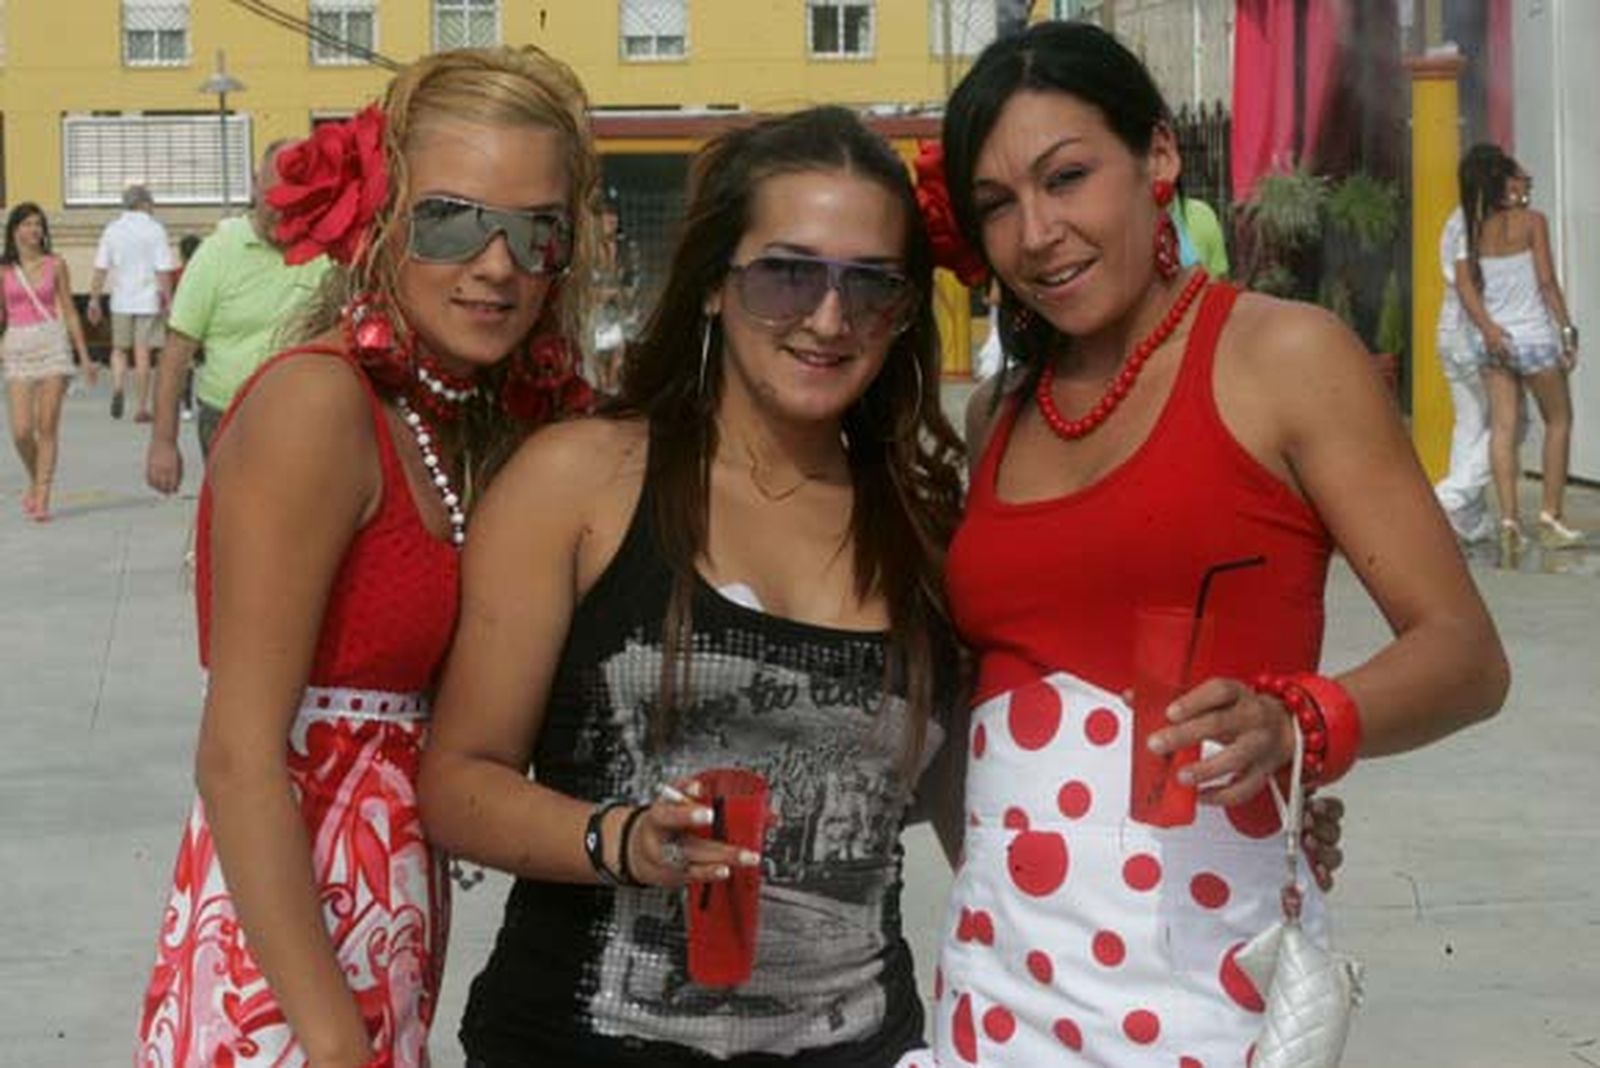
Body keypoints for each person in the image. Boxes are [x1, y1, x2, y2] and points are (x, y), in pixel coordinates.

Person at [932, 22, 1507, 1064]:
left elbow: (1464, 654)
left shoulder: (1283, 357)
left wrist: (1299, 724)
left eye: (1067, 178)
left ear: (1157, 159)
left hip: (1200, 977)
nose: (1038, 232)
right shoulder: (999, 415)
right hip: (998, 977)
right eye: (997, 206)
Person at [417, 105, 968, 1068]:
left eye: (870, 286)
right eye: (787, 274)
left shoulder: (927, 524)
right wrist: (621, 839)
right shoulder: (583, 481)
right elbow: (458, 782)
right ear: (715, 284)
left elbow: (965, 801)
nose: (828, 319)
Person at [134, 45, 597, 1068]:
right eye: (452, 218)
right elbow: (237, 757)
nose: (496, 264)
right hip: (284, 962)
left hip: (378, 929)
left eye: (536, 231)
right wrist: (336, 1039)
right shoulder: (318, 407)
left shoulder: (450, 415)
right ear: (380, 217)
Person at [146, 142, 333, 494]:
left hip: (308, 419)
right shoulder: (219, 252)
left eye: (296, 201)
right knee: (241, 531)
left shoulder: (327, 251)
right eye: (275, 200)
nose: (283, 213)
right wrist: (163, 443)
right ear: (254, 186)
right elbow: (176, 354)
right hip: (229, 419)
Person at [1454, 146, 1584, 552]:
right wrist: (1566, 329)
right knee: (1559, 421)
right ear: (1502, 180)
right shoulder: (1532, 222)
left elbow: (1466, 288)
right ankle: (1550, 515)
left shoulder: (1468, 229)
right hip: (1534, 339)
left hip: (1494, 343)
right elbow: (1546, 281)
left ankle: (1509, 520)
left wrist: (1489, 328)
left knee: (1504, 429)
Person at [1, 203, 94, 521]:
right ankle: (35, 475)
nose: (34, 231)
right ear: (14, 230)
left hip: (52, 344)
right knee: (21, 430)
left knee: (47, 424)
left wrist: (84, 356)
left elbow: (68, 310)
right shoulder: (4, 271)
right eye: (27, 224)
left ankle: (42, 495)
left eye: (38, 225)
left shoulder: (56, 264)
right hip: (17, 346)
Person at [87, 183, 175, 422]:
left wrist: (94, 299)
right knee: (143, 352)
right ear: (144, 204)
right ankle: (142, 407)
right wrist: (169, 300)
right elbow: (163, 269)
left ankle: (117, 385)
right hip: (148, 300)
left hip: (120, 299)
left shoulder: (112, 230)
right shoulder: (156, 230)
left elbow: (101, 268)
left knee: (118, 349)